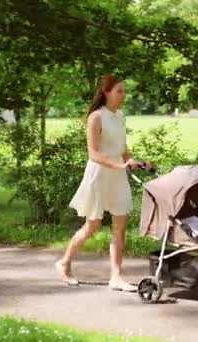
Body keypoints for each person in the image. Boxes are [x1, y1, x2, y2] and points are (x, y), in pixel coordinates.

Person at [55, 74, 149, 292]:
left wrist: (132, 161)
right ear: (106, 92)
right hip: (99, 175)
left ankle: (116, 277)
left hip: (117, 176)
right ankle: (64, 263)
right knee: (93, 226)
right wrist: (119, 166)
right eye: (119, 91)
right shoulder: (96, 117)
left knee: (120, 227)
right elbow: (94, 154)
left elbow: (122, 149)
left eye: (125, 91)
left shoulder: (120, 116)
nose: (123, 95)